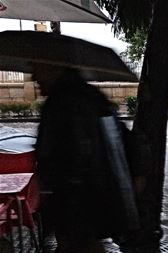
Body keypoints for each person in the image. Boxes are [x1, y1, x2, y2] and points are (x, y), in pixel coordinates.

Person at [34, 63, 130, 253]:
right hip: (89, 197)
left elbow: (64, 156)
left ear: (55, 69)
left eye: (38, 69)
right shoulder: (91, 96)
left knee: (81, 245)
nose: (34, 78)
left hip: (76, 199)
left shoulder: (62, 103)